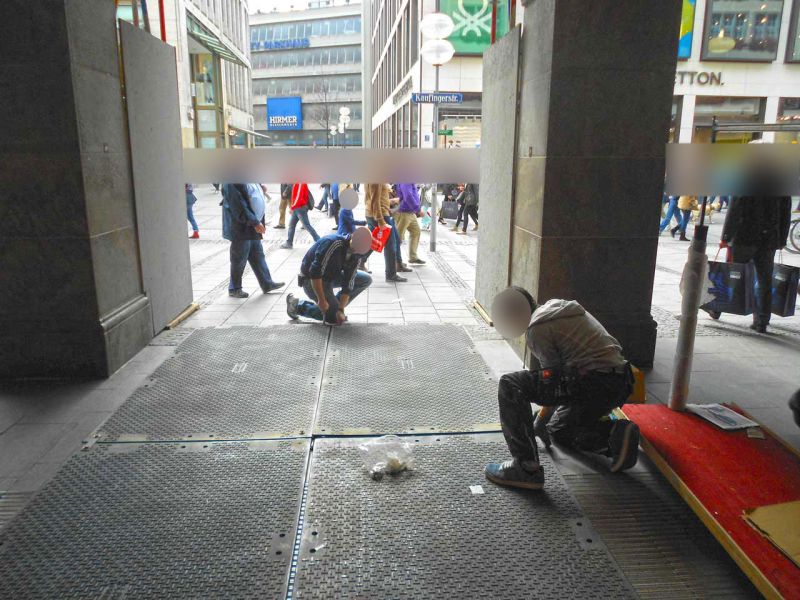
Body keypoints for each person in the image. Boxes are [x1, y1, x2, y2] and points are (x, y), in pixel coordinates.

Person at [485, 287, 639, 490]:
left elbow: (553, 381)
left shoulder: (536, 329)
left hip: (593, 382)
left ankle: (526, 468)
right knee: (559, 430)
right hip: (620, 382)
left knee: (510, 384)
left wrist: (540, 419)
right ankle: (613, 436)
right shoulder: (558, 307)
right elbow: (562, 379)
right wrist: (545, 418)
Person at [719, 179, 792, 334]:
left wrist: (726, 236)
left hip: (744, 237)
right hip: (768, 239)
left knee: (731, 273)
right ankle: (762, 321)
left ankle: (717, 307)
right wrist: (782, 239)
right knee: (765, 279)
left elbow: (735, 207)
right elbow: (786, 212)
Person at [286, 228, 373, 324]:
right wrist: (322, 300)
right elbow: (315, 273)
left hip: (331, 275)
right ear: (351, 237)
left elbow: (349, 279)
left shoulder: (357, 254)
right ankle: (297, 306)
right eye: (354, 249)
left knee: (366, 279)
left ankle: (334, 309)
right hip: (310, 279)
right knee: (332, 317)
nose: (355, 253)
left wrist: (341, 308)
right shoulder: (332, 244)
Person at [223, 183, 285, 298]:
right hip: (242, 225)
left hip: (252, 223)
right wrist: (254, 222)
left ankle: (267, 283)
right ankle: (234, 288)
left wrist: (260, 188)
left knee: (257, 255)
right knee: (239, 258)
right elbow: (238, 205)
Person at [365, 183, 407, 282]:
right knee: (391, 245)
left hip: (376, 213)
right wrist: (380, 220)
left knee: (375, 241)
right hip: (380, 215)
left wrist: (387, 209)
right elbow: (374, 201)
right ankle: (391, 274)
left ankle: (359, 261)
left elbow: (371, 198)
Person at [281, 182, 320, 249]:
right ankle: (289, 242)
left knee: (306, 225)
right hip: (298, 207)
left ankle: (319, 240)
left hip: (299, 207)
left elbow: (298, 197)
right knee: (292, 225)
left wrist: (292, 207)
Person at [394, 183, 425, 264]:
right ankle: (395, 261)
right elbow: (408, 196)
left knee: (416, 231)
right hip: (405, 211)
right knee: (398, 237)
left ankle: (413, 257)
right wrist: (417, 209)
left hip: (410, 211)